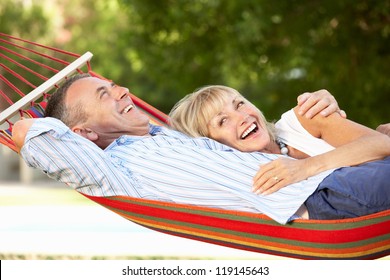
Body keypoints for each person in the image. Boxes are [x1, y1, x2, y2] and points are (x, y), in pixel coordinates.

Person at [12, 74, 390, 224]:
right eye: (104, 95)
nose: (124, 92)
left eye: (114, 86)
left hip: (336, 178)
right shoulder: (113, 171)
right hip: (321, 198)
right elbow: (31, 134)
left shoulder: (168, 136)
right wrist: (21, 121)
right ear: (83, 133)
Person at [169, 85, 390, 197]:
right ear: (212, 143)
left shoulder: (301, 119)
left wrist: (306, 167)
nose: (242, 116)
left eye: (239, 104)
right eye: (223, 120)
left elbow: (382, 144)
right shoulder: (245, 181)